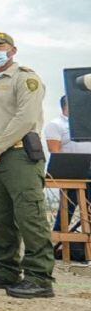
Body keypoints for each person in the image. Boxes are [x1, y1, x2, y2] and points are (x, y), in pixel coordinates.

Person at [0, 32, 55, 299]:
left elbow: (25, 118)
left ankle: (39, 276)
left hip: (17, 154)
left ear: (12, 50)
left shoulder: (25, 78)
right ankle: (5, 269)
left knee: (29, 214)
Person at [46, 95, 91, 253]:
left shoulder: (85, 124)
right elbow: (55, 151)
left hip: (89, 170)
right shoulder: (56, 125)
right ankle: (55, 247)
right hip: (71, 174)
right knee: (66, 211)